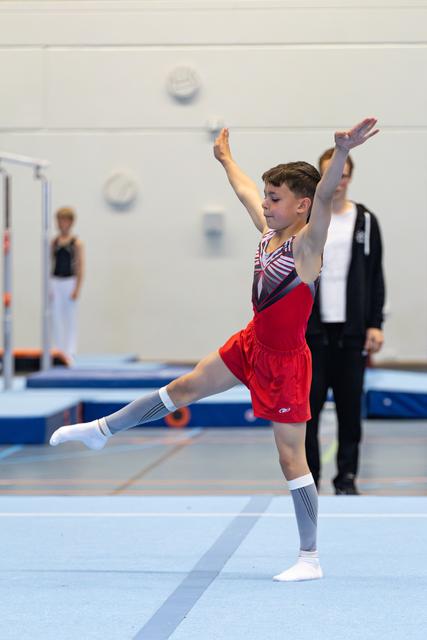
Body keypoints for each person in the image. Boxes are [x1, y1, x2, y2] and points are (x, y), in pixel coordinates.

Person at [49, 118, 379, 582]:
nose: (264, 204)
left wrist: (341, 152)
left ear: (301, 205)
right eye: (267, 196)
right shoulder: (268, 234)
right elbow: (244, 190)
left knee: (291, 457)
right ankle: (103, 430)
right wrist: (226, 159)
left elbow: (325, 198)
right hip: (251, 344)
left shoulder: (308, 246)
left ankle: (310, 557)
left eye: (275, 198)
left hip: (285, 362)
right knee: (183, 387)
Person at [305, 149, 385, 495]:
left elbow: (374, 275)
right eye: (330, 175)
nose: (337, 182)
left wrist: (375, 323)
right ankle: (309, 479)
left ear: (349, 178)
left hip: (351, 331)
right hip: (313, 332)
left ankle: (347, 478)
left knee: (351, 411)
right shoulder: (308, 219)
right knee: (309, 409)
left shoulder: (365, 221)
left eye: (342, 174)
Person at [51, 207, 84, 361]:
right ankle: (59, 351)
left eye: (64, 220)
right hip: (56, 281)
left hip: (70, 281)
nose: (61, 223)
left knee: (70, 317)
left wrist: (77, 288)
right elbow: (50, 264)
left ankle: (70, 350)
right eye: (59, 220)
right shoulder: (54, 242)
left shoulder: (76, 243)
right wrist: (49, 287)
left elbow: (80, 266)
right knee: (56, 317)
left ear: (71, 223)